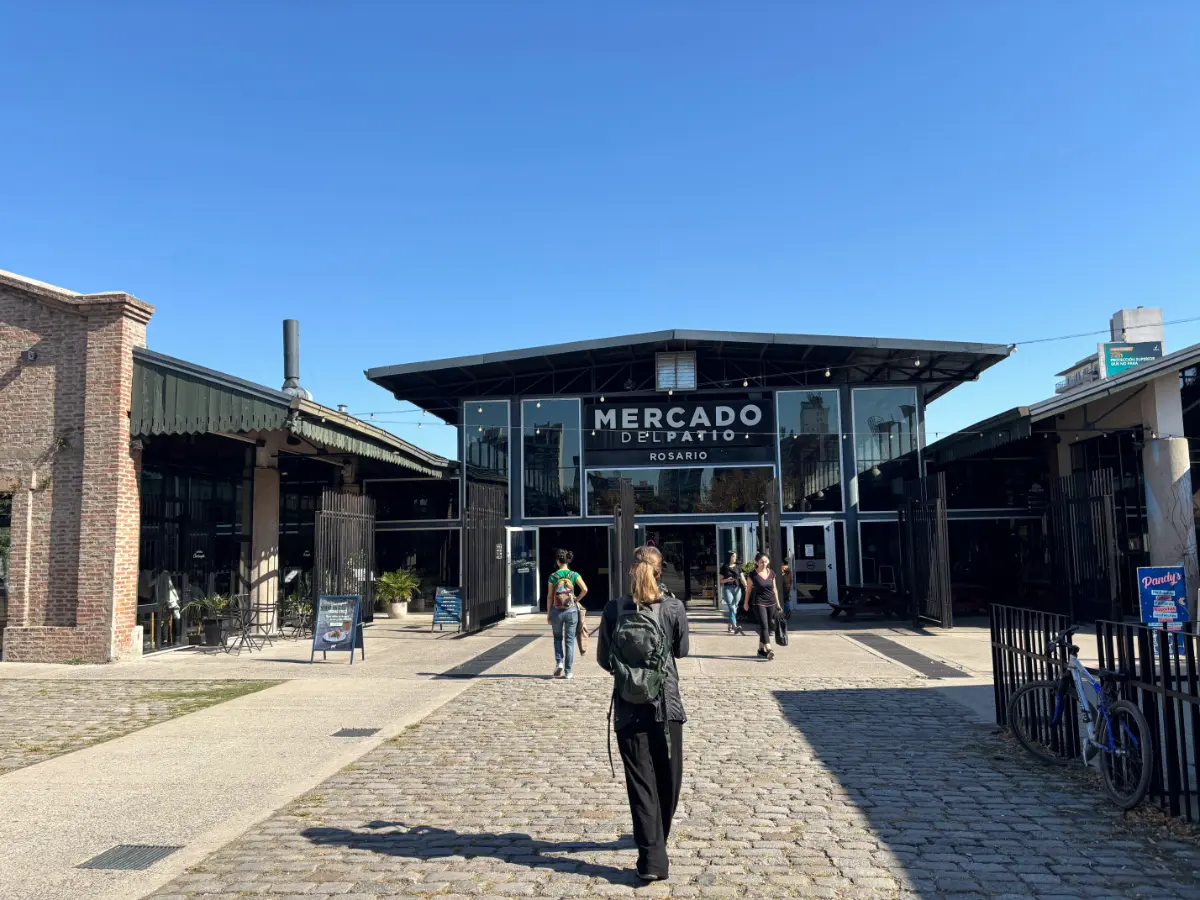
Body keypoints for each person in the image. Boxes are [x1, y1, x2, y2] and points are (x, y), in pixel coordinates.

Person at [597, 545, 690, 882]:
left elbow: (603, 660)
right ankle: (656, 845)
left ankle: (651, 857)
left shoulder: (613, 609)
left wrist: (630, 673)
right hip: (666, 704)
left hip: (627, 706)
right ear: (659, 571)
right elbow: (681, 650)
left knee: (641, 783)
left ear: (630, 571)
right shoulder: (673, 607)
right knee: (668, 780)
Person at [547, 548, 588, 679]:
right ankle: (568, 671)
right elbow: (585, 589)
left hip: (557, 610)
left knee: (557, 638)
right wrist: (576, 599)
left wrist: (548, 614)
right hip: (571, 610)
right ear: (567, 561)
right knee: (569, 641)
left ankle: (559, 662)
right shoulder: (574, 574)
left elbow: (549, 596)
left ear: (558, 561)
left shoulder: (553, 576)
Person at [744, 552, 782, 660]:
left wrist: (778, 604)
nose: (764, 564)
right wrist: (746, 603)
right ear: (757, 562)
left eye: (765, 562)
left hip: (771, 603)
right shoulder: (752, 575)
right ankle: (769, 649)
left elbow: (774, 589)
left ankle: (760, 650)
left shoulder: (772, 573)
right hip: (759, 602)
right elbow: (749, 590)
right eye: (761, 562)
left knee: (767, 626)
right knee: (764, 626)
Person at [718, 551, 744, 634]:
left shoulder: (738, 567)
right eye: (733, 556)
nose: (735, 558)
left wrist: (747, 586)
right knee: (732, 607)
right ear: (729, 557)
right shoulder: (724, 567)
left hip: (737, 588)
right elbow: (720, 581)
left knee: (734, 608)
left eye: (735, 556)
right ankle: (735, 626)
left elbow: (742, 578)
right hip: (727, 588)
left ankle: (730, 625)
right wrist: (727, 580)